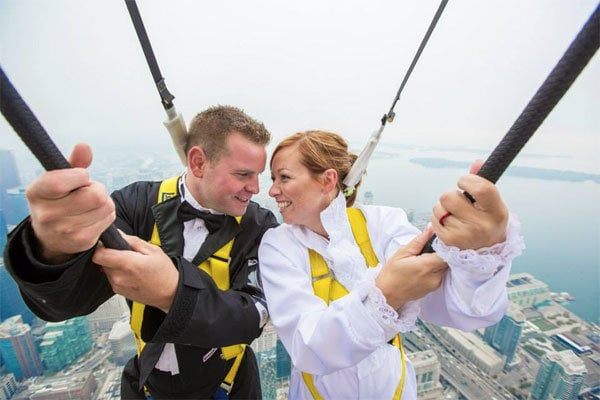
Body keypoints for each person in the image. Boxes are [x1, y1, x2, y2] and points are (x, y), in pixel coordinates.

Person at [3, 105, 279, 399]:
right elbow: (69, 300)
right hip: (146, 385)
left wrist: (174, 292)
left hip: (230, 387)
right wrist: (55, 250)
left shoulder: (259, 227)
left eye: (258, 175)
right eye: (243, 174)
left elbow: (252, 316)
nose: (255, 188)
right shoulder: (136, 205)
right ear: (198, 162)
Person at [258, 130, 525, 399]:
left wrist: (480, 253)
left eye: (284, 177)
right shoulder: (279, 246)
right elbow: (308, 347)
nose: (272, 189)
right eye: (273, 179)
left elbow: (462, 309)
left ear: (328, 181)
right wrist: (387, 294)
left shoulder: (383, 224)